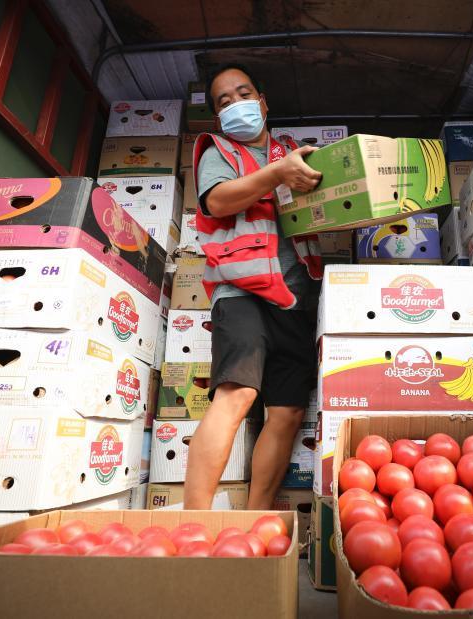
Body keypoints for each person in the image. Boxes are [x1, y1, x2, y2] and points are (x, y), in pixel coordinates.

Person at [183, 64, 324, 510]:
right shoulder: (217, 153)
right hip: (240, 293)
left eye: (243, 94)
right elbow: (218, 201)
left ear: (262, 102)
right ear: (218, 117)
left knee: (286, 410)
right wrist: (278, 173)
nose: (235, 104)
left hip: (294, 294)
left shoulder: (293, 152)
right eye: (224, 102)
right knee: (238, 392)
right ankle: (193, 521)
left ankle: (254, 517)